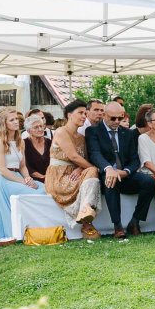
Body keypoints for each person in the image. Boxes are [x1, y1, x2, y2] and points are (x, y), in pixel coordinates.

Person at [86, 101, 155, 238]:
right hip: (107, 175)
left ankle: (135, 221)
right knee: (110, 181)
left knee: (149, 182)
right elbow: (95, 154)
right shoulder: (93, 131)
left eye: (120, 118)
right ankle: (117, 226)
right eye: (113, 118)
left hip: (125, 174)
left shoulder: (128, 133)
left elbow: (135, 160)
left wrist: (126, 172)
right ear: (104, 115)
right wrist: (108, 169)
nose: (117, 121)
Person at [45, 100, 101, 239]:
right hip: (59, 176)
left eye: (85, 113)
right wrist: (91, 168)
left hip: (75, 174)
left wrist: (81, 168)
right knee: (93, 170)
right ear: (69, 115)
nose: (84, 116)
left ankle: (86, 215)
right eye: (80, 113)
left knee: (92, 171)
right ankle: (87, 222)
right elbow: (74, 157)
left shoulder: (82, 137)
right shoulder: (61, 131)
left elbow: (83, 160)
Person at [0, 108, 43, 245]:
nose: (16, 122)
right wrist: (23, 182)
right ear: (4, 123)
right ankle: (24, 230)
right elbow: (2, 169)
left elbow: (22, 166)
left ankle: (39, 228)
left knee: (43, 188)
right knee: (35, 192)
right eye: (11, 120)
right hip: (3, 178)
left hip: (17, 175)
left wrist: (28, 178)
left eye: (17, 119)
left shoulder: (20, 141)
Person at [24, 113, 52, 184]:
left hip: (51, 178)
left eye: (41, 126)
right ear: (28, 131)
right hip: (32, 181)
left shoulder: (50, 143)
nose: (40, 129)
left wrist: (49, 177)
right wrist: (42, 177)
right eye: (36, 127)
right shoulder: (24, 144)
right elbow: (25, 166)